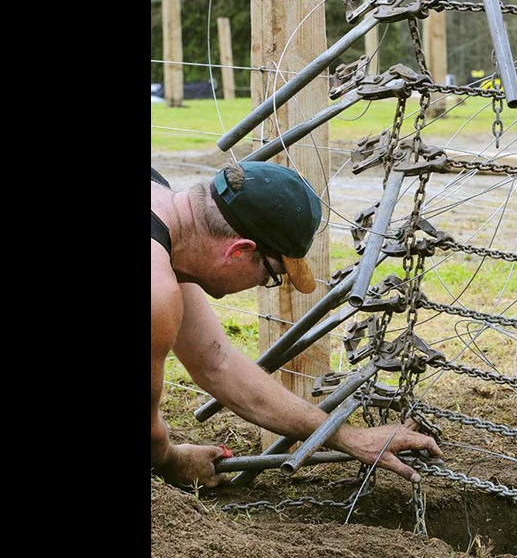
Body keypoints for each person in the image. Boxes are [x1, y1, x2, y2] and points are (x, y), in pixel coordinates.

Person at [151, 159, 442, 488]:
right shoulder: (156, 290)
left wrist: (348, 437)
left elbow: (217, 362)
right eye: (271, 276)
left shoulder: (165, 210)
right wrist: (172, 460)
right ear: (238, 252)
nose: (263, 283)